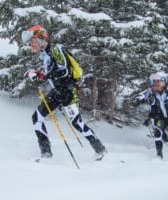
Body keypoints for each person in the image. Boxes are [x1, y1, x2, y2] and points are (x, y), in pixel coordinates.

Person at [21, 25, 106, 160]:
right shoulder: (45, 55)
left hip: (68, 92)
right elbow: (52, 73)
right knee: (37, 117)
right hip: (57, 91)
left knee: (77, 123)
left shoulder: (56, 49)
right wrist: (37, 74)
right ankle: (46, 153)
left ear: (41, 38)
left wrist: (41, 76)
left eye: (31, 41)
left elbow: (64, 72)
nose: (30, 45)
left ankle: (100, 149)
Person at [137, 72, 168, 159]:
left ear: (163, 82)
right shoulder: (151, 91)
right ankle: (159, 155)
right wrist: (139, 99)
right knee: (158, 133)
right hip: (159, 117)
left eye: (158, 82)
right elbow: (142, 96)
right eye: (154, 82)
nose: (155, 84)